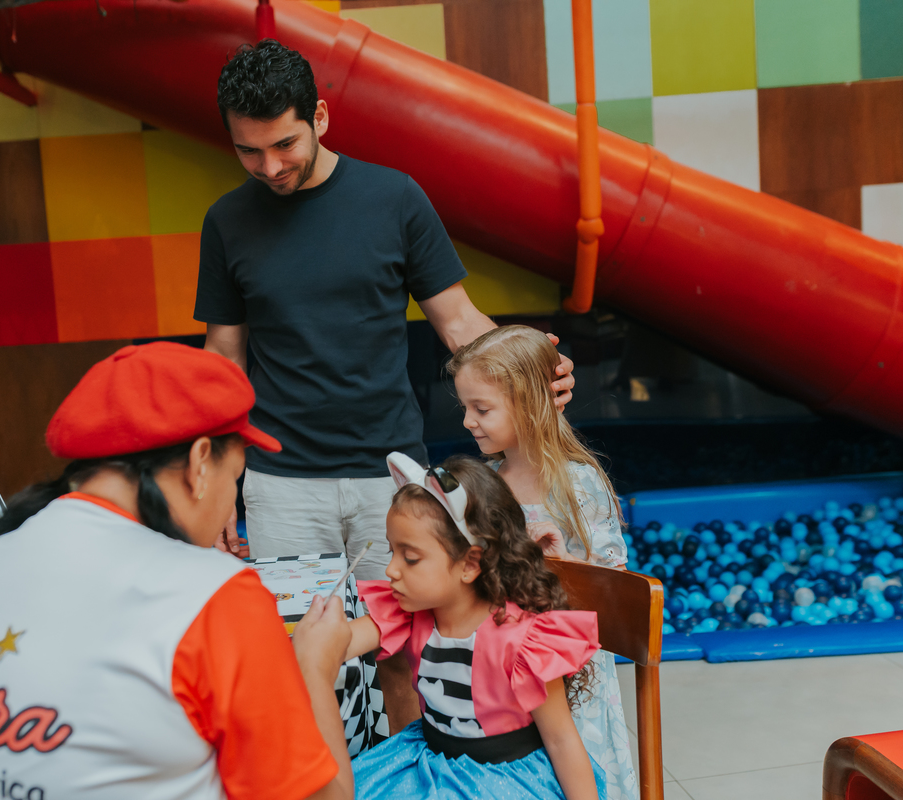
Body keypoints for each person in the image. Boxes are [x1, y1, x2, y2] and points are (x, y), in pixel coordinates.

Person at [195, 38, 574, 731]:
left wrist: (528, 370)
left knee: (405, 649)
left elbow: (457, 318)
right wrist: (221, 474)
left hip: (389, 475)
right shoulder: (226, 221)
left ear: (321, 116)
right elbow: (225, 357)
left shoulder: (394, 197)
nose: (270, 167)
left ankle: (404, 777)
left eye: (284, 144)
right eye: (249, 152)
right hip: (282, 485)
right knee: (299, 656)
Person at [0, 342, 354, 800]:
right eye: (235, 478)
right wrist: (313, 666)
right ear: (199, 463)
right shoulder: (215, 596)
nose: (229, 508)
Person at [341, 453, 604, 800]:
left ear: (470, 564)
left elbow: (560, 739)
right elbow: (339, 643)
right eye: (391, 551)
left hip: (506, 783)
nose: (390, 570)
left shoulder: (523, 640)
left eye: (410, 557)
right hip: (428, 765)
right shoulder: (409, 612)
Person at [447, 325, 636, 800]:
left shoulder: (578, 485)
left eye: (482, 409)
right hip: (503, 671)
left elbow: (616, 590)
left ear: (530, 403)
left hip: (572, 677)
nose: (469, 421)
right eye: (466, 407)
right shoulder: (484, 486)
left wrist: (564, 563)